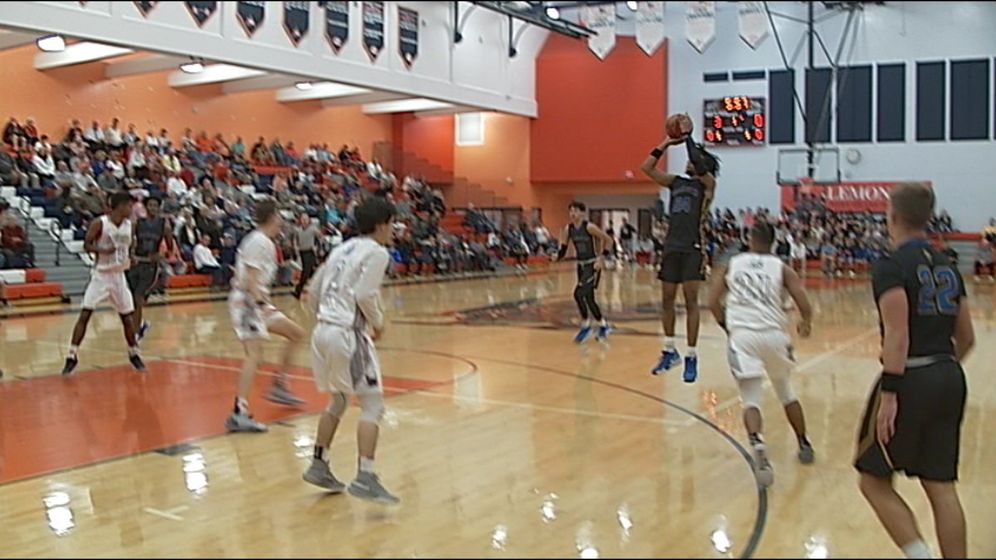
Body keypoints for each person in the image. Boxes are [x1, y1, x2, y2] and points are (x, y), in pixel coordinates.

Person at [855, 182, 974, 559]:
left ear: (892, 216)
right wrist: (940, 370)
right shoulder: (948, 264)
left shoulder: (891, 266)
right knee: (941, 486)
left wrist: (892, 393)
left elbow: (898, 334)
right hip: (949, 375)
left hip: (909, 377)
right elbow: (967, 338)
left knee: (872, 480)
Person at [302, 197, 400, 504]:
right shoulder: (378, 252)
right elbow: (365, 293)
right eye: (392, 224)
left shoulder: (341, 249)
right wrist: (378, 324)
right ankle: (365, 476)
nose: (394, 229)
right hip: (347, 334)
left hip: (322, 331)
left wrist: (326, 318)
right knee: (373, 406)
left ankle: (319, 464)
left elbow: (312, 292)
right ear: (381, 224)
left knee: (340, 398)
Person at [708, 221, 815, 488]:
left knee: (751, 399)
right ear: (774, 242)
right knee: (786, 392)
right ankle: (804, 444)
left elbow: (712, 301)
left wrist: (726, 325)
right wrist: (805, 322)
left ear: (750, 239)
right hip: (775, 336)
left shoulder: (733, 264)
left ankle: (758, 443)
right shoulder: (782, 268)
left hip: (743, 337)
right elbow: (804, 304)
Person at [640, 123, 719, 382]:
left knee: (691, 301)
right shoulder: (676, 182)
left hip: (693, 247)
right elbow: (647, 168)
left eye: (693, 160)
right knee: (667, 300)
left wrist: (687, 138)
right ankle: (669, 350)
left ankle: (692, 355)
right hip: (672, 246)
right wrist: (666, 143)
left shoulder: (707, 185)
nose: (688, 161)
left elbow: (696, 158)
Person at [225, 199, 307, 432]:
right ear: (272, 217)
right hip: (248, 303)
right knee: (254, 355)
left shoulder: (264, 242)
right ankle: (239, 412)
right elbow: (251, 279)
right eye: (279, 215)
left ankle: (279, 384)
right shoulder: (258, 241)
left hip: (257, 302)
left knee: (297, 334)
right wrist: (260, 303)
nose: (282, 220)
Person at [62, 192, 146, 375]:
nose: (131, 209)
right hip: (101, 275)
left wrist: (131, 256)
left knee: (127, 318)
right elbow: (86, 245)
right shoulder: (100, 223)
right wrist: (102, 250)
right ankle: (71, 355)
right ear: (120, 206)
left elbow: (131, 245)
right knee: (85, 314)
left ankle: (134, 353)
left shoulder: (130, 225)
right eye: (129, 205)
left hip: (119, 276)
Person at [555, 201, 613, 343]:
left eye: (575, 211)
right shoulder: (569, 229)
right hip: (580, 266)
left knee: (578, 294)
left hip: (592, 266)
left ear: (582, 213)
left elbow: (609, 240)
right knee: (589, 299)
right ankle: (603, 325)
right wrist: (556, 257)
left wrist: (601, 258)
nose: (572, 214)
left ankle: (586, 326)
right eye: (571, 211)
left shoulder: (589, 227)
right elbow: (563, 249)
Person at [127, 196, 170, 341]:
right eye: (150, 205)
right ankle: (140, 326)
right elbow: (128, 241)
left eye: (155, 205)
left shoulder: (164, 224)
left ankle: (135, 333)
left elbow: (170, 247)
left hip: (151, 265)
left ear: (159, 208)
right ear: (146, 207)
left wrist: (162, 254)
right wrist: (130, 254)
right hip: (137, 263)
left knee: (138, 296)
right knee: (133, 299)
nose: (153, 208)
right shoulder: (137, 223)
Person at [292, 213, 320, 300]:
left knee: (309, 272)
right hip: (302, 252)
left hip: (310, 252)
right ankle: (299, 289)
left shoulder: (313, 229)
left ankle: (299, 289)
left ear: (309, 220)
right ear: (300, 220)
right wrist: (296, 247)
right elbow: (295, 240)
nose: (304, 221)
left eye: (306, 219)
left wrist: (317, 247)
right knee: (307, 272)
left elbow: (320, 238)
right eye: (303, 219)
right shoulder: (298, 230)